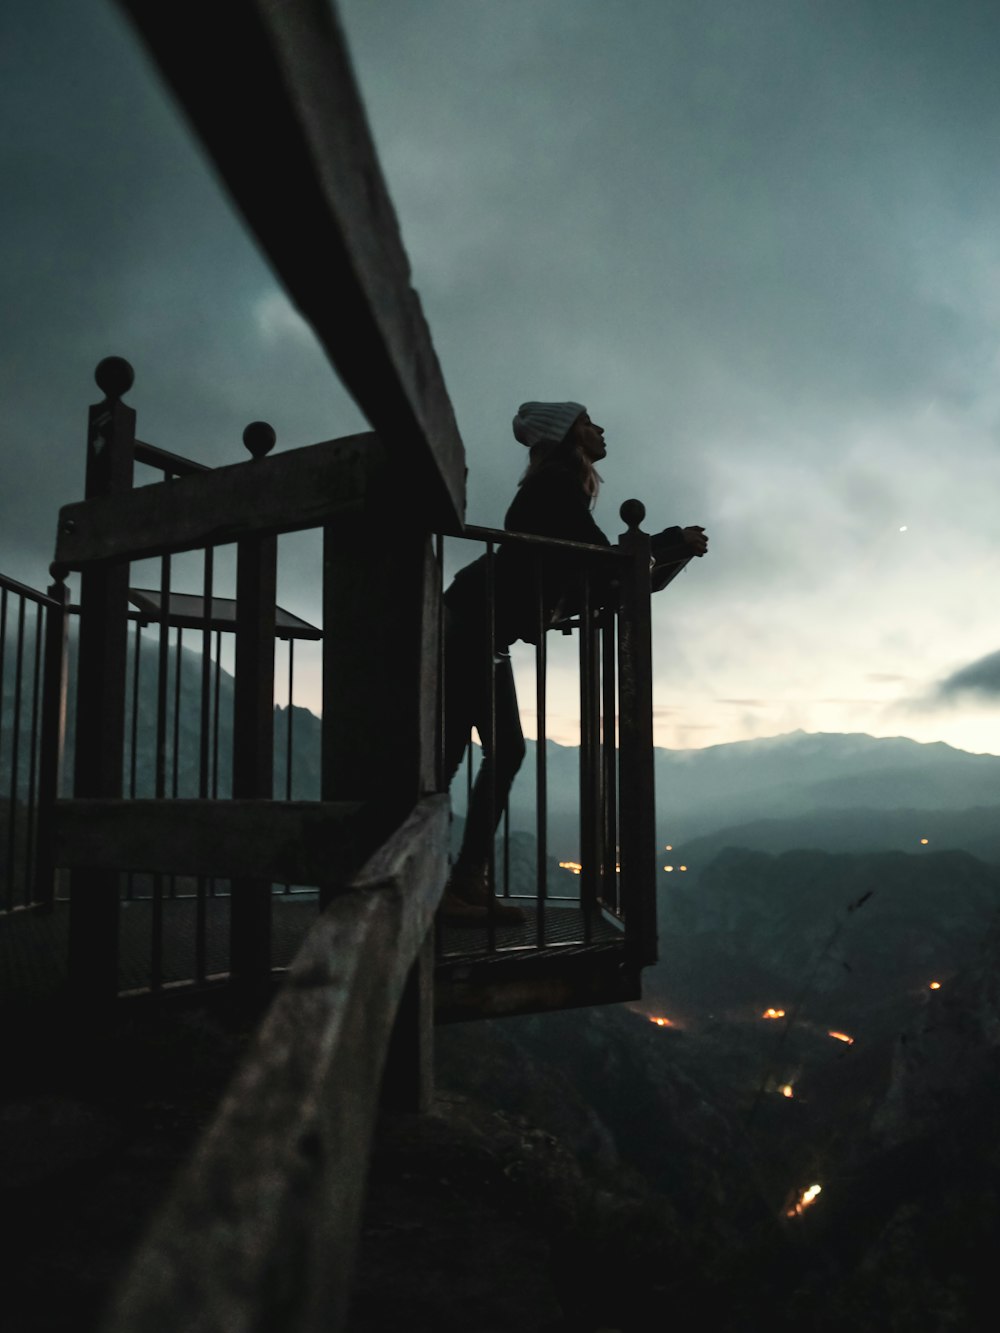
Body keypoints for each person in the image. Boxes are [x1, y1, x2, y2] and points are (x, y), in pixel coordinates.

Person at [439, 401, 708, 924]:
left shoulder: (558, 484)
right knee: (453, 757)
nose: (601, 428)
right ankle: (445, 886)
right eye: (589, 422)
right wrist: (672, 541)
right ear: (567, 435)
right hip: (468, 625)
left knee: (487, 753)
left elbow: (597, 573)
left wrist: (666, 557)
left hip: (476, 626)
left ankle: (461, 882)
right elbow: (601, 559)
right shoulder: (557, 483)